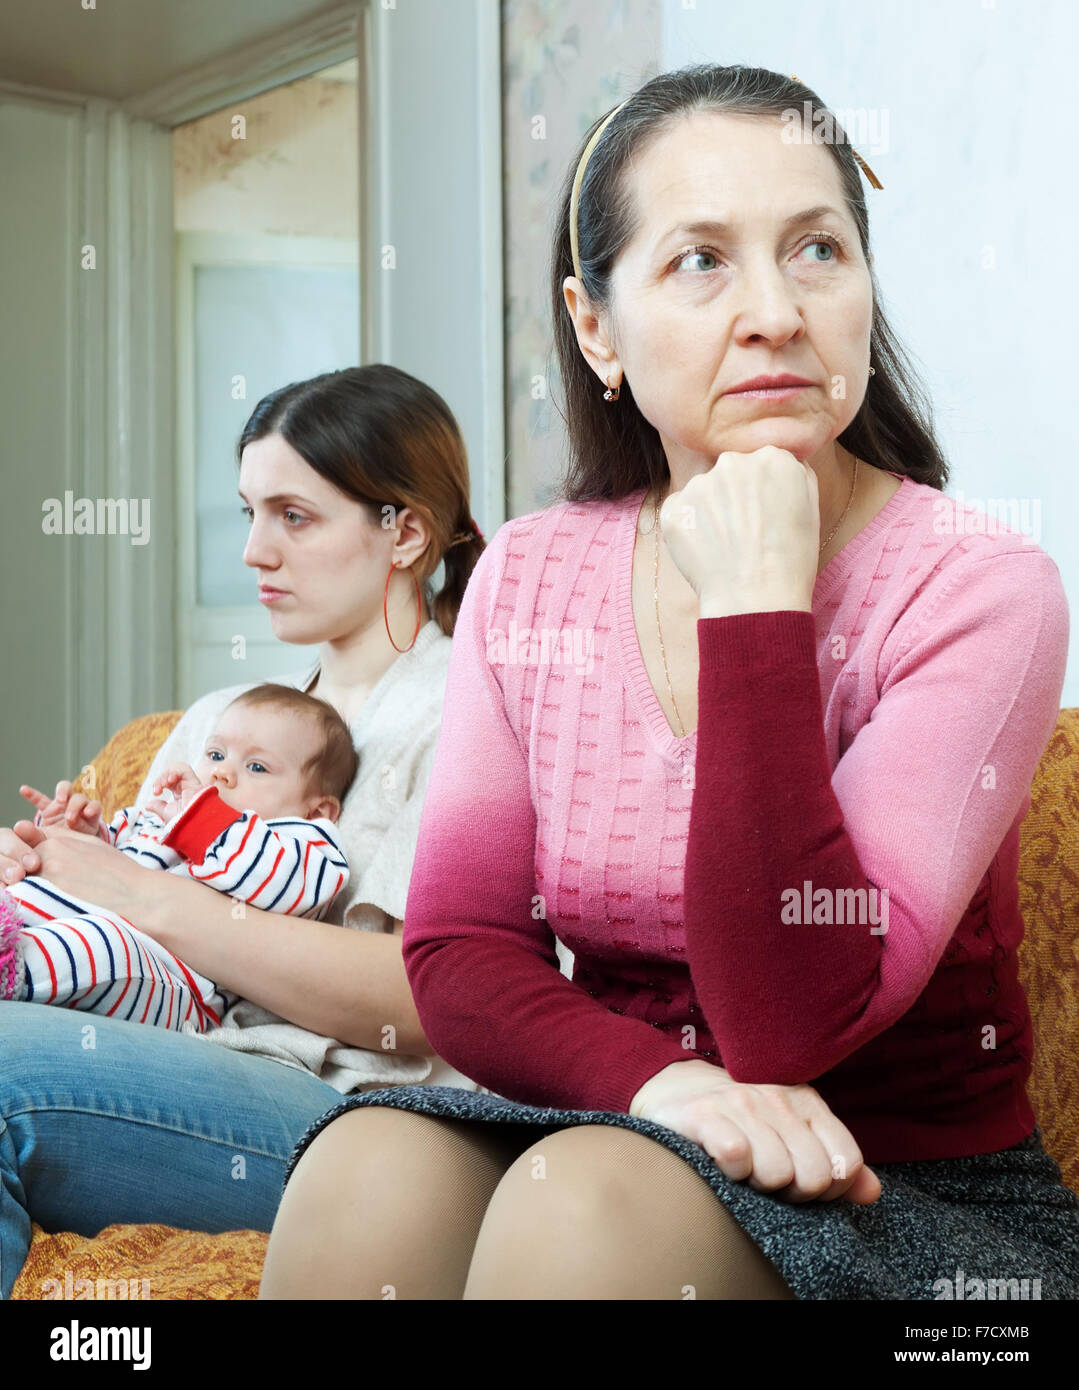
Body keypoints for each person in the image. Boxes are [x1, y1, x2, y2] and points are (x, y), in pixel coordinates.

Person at [260, 64, 1079, 1302]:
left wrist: (757, 605)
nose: (773, 313)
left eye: (816, 249)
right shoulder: (531, 572)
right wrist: (658, 1084)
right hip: (633, 1114)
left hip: (910, 1197)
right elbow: (461, 949)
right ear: (596, 328)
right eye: (699, 260)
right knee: (368, 1161)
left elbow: (790, 1023)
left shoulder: (977, 588)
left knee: (585, 1202)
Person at [0, 363, 485, 1301]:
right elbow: (121, 878)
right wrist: (41, 873)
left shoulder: (465, 711)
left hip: (355, 1111)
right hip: (182, 1046)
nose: (256, 551)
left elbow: (421, 1002)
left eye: (294, 517)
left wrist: (139, 891)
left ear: (406, 533)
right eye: (248, 514)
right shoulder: (227, 715)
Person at [0, 684, 356, 1033]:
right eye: (216, 755)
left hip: (173, 979)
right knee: (23, 893)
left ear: (317, 810)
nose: (221, 772)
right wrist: (76, 832)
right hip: (71, 918)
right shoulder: (158, 815)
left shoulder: (301, 841)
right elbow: (105, 861)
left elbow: (288, 887)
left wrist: (202, 823)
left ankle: (10, 969)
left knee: (103, 943)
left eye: (257, 767)